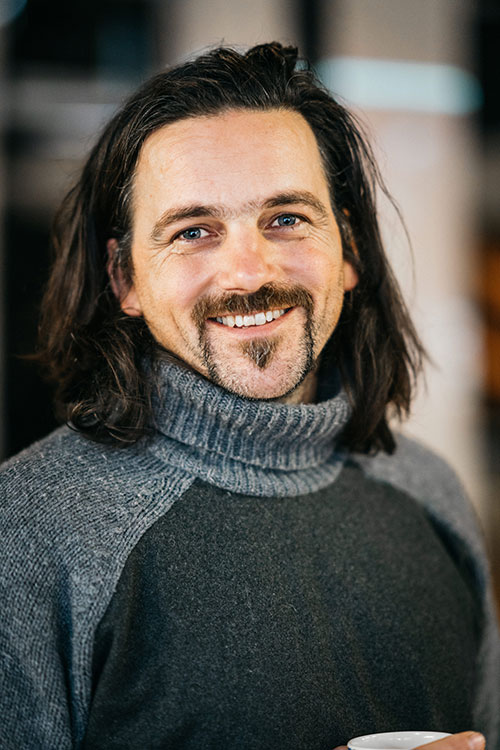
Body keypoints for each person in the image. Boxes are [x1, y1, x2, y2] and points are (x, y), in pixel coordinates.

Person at [0, 42, 498, 750]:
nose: (247, 271)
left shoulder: (429, 490)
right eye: (194, 231)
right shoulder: (28, 531)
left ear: (348, 249)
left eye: (287, 218)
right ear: (125, 279)